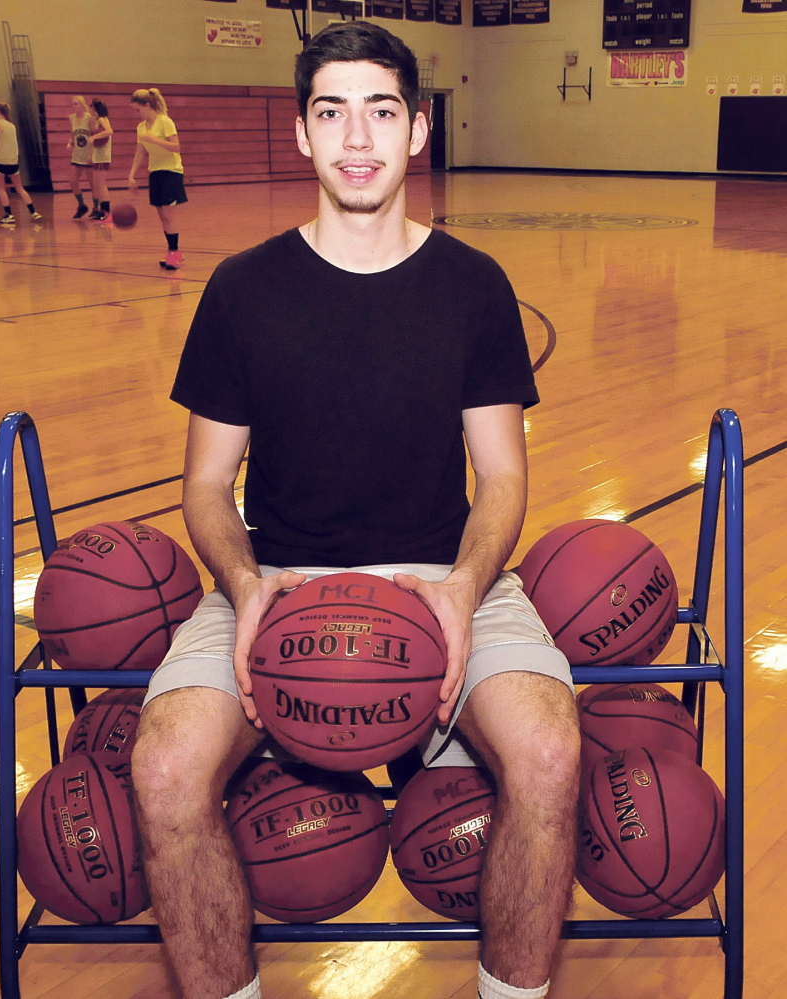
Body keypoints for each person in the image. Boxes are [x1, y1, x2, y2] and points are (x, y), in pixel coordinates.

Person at [131, 21, 580, 999]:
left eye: (380, 110)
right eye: (331, 112)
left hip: (441, 579)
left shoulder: (473, 286)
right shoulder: (242, 290)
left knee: (548, 749)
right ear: (301, 133)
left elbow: (500, 476)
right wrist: (244, 585)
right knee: (164, 771)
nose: (357, 137)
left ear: (415, 130)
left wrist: (463, 592)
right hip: (278, 576)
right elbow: (206, 485)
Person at [127, 87, 187, 269]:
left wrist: (154, 140)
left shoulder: (165, 122)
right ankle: (173, 251)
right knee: (163, 217)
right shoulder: (141, 128)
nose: (136, 114)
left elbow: (176, 146)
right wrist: (131, 174)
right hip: (156, 173)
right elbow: (140, 151)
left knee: (168, 216)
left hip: (172, 172)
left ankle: (174, 253)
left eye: (138, 109)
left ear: (147, 105)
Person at [0, 103, 42, 225]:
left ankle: (9, 215)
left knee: (1, 188)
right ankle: (33, 212)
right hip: (12, 161)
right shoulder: (12, 125)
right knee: (20, 188)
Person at [86, 98, 113, 220]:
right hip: (98, 156)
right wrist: (91, 155)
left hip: (103, 157)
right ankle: (100, 210)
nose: (89, 109)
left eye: (90, 107)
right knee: (97, 184)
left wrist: (94, 137)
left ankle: (106, 212)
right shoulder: (97, 121)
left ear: (94, 108)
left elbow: (109, 131)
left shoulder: (102, 119)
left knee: (101, 184)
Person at [67, 95, 93, 219]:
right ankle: (82, 205)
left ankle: (97, 208)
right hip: (77, 154)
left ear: (83, 105)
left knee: (93, 184)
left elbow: (95, 137)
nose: (74, 106)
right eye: (72, 104)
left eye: (76, 104)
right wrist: (69, 143)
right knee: (72, 181)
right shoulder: (71, 118)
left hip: (88, 154)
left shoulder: (89, 118)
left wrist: (92, 154)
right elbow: (72, 136)